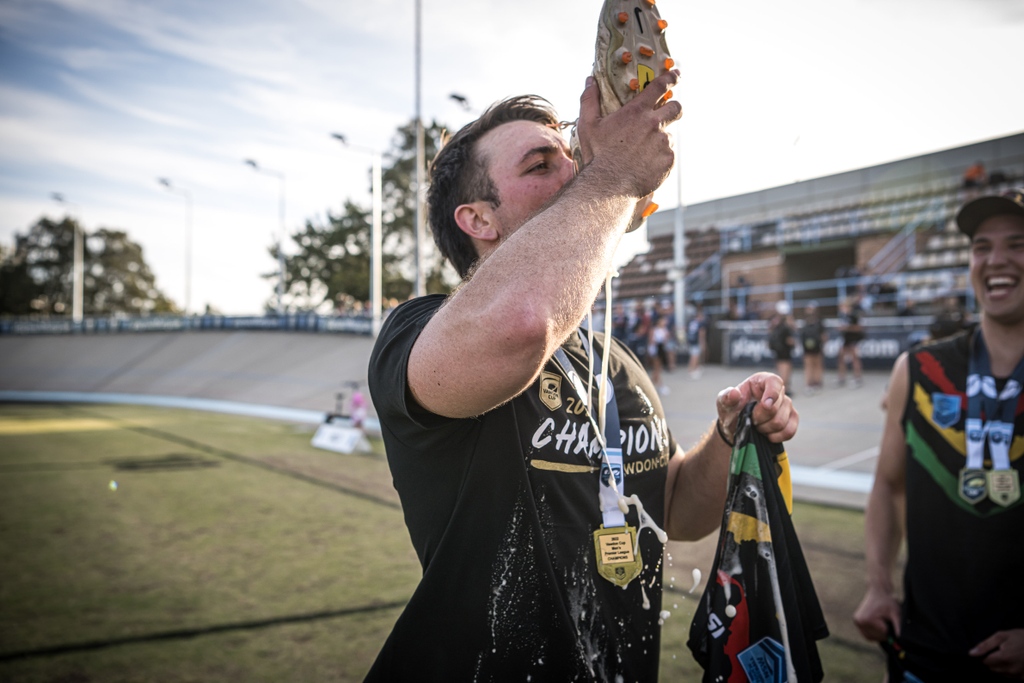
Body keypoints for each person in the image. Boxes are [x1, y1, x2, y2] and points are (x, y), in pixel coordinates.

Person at [365, 72, 799, 681]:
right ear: (478, 220)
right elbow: (521, 321)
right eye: (542, 164)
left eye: (574, 158)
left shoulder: (614, 359)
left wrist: (728, 436)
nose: (573, 173)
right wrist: (615, 174)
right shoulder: (418, 331)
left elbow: (674, 510)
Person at [853, 188, 1024, 681]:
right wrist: (879, 585)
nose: (996, 260)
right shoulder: (922, 368)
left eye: (1017, 244)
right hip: (923, 650)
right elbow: (888, 484)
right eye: (981, 247)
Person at [768, 301, 795, 395]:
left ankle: (782, 387)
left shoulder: (775, 321)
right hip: (784, 349)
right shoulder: (786, 324)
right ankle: (784, 388)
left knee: (780, 367)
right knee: (785, 367)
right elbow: (790, 338)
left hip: (778, 348)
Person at [837, 297, 864, 387]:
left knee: (855, 358)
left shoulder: (854, 315)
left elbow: (858, 327)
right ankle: (841, 378)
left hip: (854, 339)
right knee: (841, 357)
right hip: (846, 339)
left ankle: (857, 378)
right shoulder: (843, 316)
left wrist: (847, 328)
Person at [800, 301, 825, 394]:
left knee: (817, 364)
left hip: (817, 347)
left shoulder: (819, 322)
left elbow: (823, 336)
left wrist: (822, 345)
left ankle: (816, 381)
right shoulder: (805, 322)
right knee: (808, 365)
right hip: (807, 348)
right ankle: (809, 383)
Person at [686, 303, 707, 379]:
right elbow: (701, 334)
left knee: (693, 355)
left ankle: (695, 368)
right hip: (695, 341)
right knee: (695, 356)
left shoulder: (692, 321)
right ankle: (691, 370)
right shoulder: (700, 323)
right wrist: (703, 343)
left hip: (690, 340)